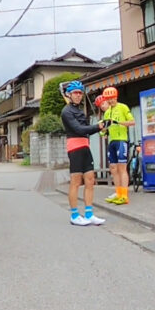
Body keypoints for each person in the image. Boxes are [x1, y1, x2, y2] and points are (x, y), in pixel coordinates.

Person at [60, 81, 106, 225]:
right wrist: (97, 127)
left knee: (90, 180)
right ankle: (74, 215)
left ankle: (89, 213)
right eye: (75, 93)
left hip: (85, 146)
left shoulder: (80, 111)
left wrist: (102, 128)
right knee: (76, 181)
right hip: (74, 147)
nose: (78, 96)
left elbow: (87, 130)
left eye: (80, 93)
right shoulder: (66, 111)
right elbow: (78, 129)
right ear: (69, 94)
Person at [100, 86, 136, 205]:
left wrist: (117, 122)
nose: (110, 101)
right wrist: (103, 131)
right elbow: (105, 129)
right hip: (112, 141)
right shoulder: (107, 112)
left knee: (122, 168)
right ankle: (118, 193)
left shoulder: (123, 107)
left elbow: (132, 122)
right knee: (113, 169)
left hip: (121, 140)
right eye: (108, 99)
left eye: (112, 98)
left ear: (116, 97)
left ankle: (124, 195)